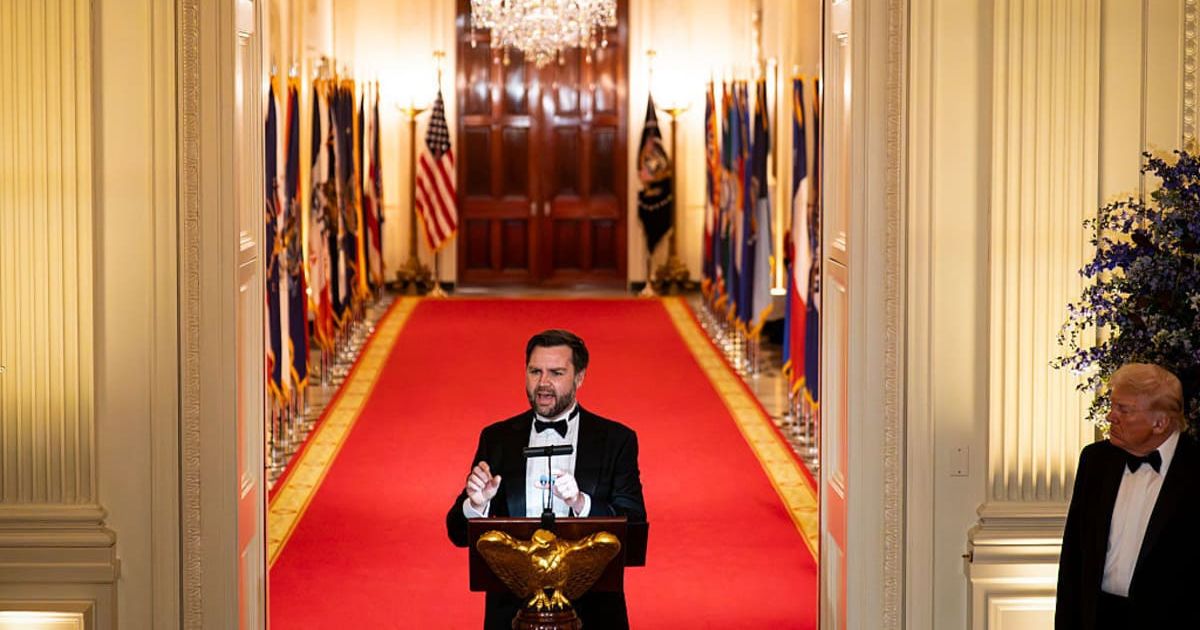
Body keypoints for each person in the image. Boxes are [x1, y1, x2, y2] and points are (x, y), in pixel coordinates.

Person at [446, 329, 647, 630]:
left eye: (556, 373)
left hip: (594, 614)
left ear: (579, 378)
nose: (543, 383)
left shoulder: (616, 440)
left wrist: (582, 504)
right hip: (511, 615)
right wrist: (476, 506)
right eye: (535, 371)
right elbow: (457, 533)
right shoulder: (497, 438)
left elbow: (634, 529)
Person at [1056, 363, 1200, 629]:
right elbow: (1073, 559)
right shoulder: (1095, 461)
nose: (1111, 416)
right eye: (1113, 406)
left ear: (1160, 423)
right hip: (1098, 618)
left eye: (1123, 409)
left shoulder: (1196, 470)